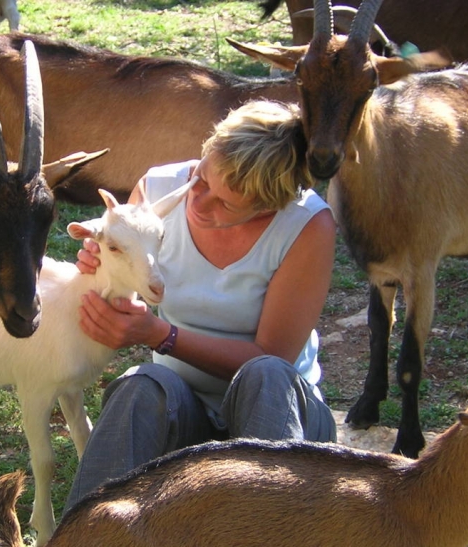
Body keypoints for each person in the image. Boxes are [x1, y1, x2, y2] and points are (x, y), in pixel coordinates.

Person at [65, 100, 337, 510]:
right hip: (184, 404)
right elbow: (123, 266)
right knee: (140, 386)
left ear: (269, 206)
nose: (199, 203)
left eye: (226, 203)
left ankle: (261, 529)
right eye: (202, 179)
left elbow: (271, 357)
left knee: (266, 376)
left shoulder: (306, 224)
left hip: (279, 418)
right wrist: (101, 260)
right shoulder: (157, 190)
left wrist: (162, 336)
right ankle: (87, 534)